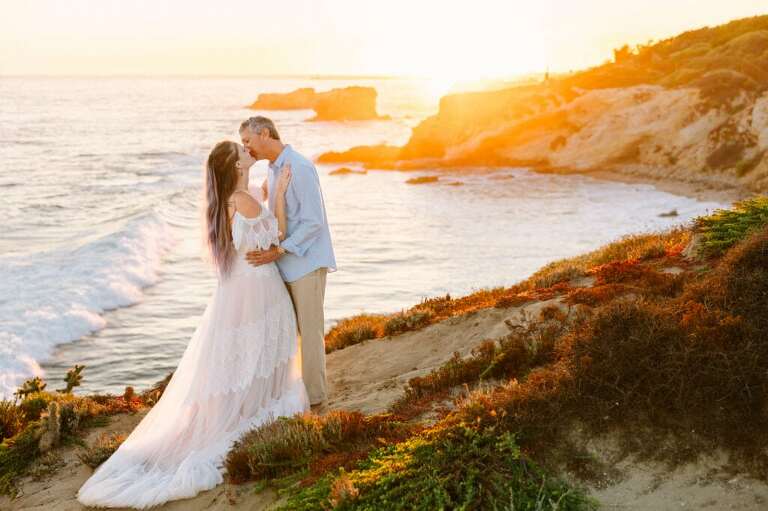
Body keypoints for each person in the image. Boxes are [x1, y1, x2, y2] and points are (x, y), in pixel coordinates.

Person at [76, 141, 308, 508]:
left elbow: (249, 225)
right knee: (263, 348)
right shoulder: (242, 199)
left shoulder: (227, 199)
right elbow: (275, 234)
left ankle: (243, 406)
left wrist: (262, 190)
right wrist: (278, 193)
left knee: (240, 354)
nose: (248, 151)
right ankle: (254, 407)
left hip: (236, 289)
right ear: (234, 166)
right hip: (258, 288)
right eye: (242, 153)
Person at [239, 116, 336, 411]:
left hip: (305, 263)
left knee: (310, 333)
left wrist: (279, 250)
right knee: (286, 334)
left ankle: (316, 400)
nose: (246, 148)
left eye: (247, 141)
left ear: (265, 134)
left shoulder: (300, 167)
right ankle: (295, 395)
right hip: (284, 265)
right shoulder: (273, 170)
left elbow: (313, 222)